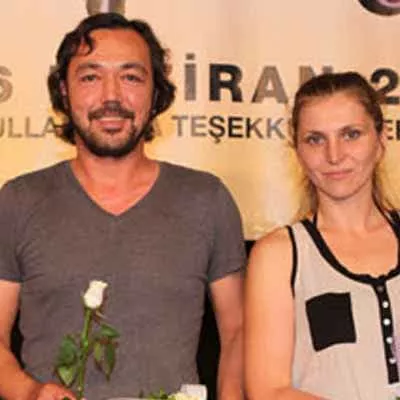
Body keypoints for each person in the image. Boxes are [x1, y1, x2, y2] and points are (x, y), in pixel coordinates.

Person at [0, 12, 245, 400]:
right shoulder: (18, 201)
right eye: (90, 77)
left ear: (156, 92)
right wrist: (30, 392)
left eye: (131, 77)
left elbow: (238, 335)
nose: (111, 96)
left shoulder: (206, 199)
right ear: (64, 91)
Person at [244, 71, 400, 399]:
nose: (334, 155)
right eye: (315, 139)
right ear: (297, 150)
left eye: (351, 134)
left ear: (381, 139)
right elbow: (268, 390)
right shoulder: (279, 255)